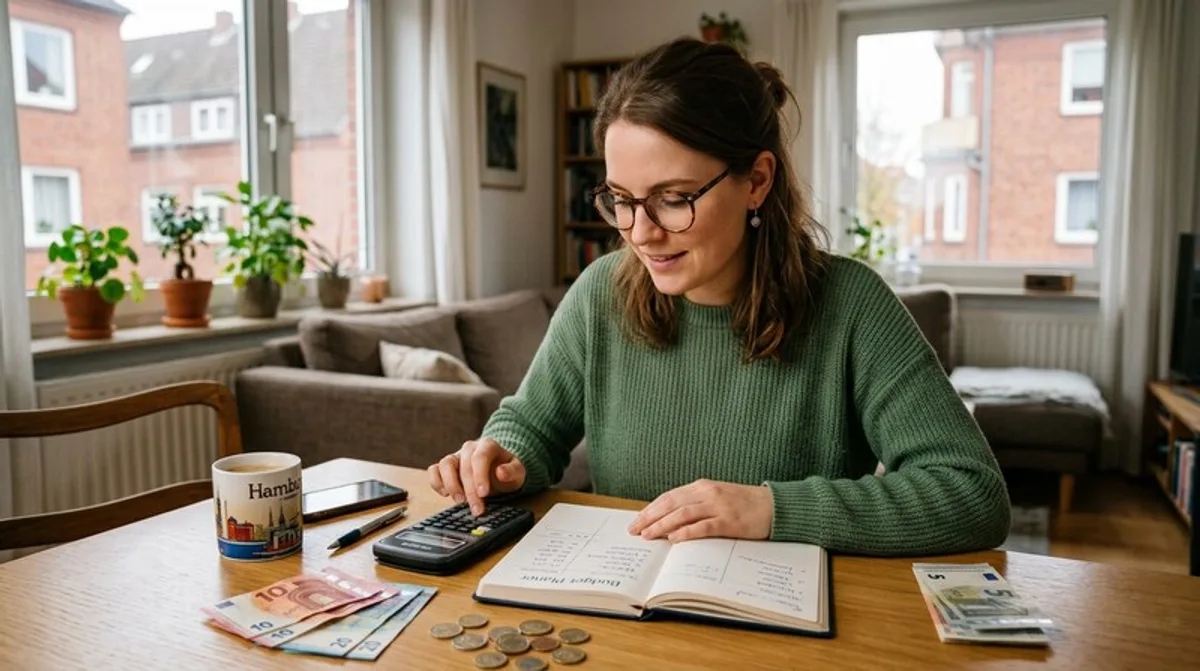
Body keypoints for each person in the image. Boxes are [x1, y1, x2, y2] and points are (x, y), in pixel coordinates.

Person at [428, 37, 1010, 556]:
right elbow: (533, 426)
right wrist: (502, 459)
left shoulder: (851, 304)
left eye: (673, 198)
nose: (641, 232)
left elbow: (971, 492)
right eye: (622, 199)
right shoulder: (600, 291)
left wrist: (772, 510)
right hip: (626, 618)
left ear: (757, 180)